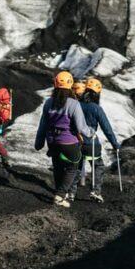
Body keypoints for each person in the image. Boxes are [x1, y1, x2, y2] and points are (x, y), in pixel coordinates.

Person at [34, 71, 94, 208]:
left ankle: (59, 192)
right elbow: (81, 127)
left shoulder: (48, 102)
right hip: (68, 141)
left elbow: (43, 124)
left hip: (51, 141)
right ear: (70, 85)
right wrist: (91, 132)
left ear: (55, 84)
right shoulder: (74, 104)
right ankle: (60, 195)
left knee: (58, 166)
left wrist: (39, 142)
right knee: (74, 164)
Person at [65, 77, 121, 203]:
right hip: (91, 144)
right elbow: (107, 129)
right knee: (98, 166)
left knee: (77, 166)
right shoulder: (96, 108)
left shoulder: (76, 105)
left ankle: (71, 192)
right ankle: (95, 191)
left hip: (76, 141)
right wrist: (115, 144)